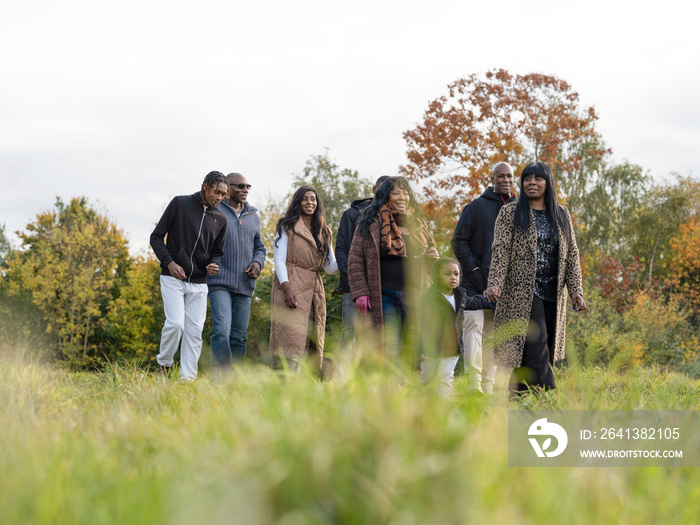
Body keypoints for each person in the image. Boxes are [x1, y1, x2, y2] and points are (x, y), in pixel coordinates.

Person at [484, 161, 586, 398]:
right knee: (536, 342)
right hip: (523, 292)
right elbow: (500, 249)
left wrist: (576, 290)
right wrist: (495, 282)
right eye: (527, 178)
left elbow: (572, 253)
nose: (531, 183)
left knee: (533, 349)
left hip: (553, 290)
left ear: (547, 183)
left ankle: (517, 400)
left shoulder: (561, 214)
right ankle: (548, 397)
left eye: (537, 179)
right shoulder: (510, 212)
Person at [348, 176, 439, 361]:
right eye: (396, 192)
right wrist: (360, 292)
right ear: (385, 195)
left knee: (410, 346)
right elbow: (355, 258)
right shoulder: (370, 222)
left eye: (405, 193)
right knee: (390, 344)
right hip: (383, 295)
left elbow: (427, 263)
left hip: (413, 296)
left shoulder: (418, 225)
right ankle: (391, 387)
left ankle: (402, 387)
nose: (402, 197)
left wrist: (432, 260)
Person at [150, 171, 229, 381]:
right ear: (205, 186)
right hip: (172, 278)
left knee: (194, 333)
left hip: (200, 283)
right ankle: (164, 364)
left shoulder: (221, 219)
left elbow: (217, 252)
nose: (219, 197)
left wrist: (215, 263)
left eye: (223, 194)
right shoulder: (180, 204)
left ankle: (187, 380)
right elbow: (156, 237)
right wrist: (170, 263)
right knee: (176, 324)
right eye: (216, 191)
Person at [451, 162, 516, 394]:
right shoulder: (476, 207)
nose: (505, 180)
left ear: (514, 178)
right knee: (473, 328)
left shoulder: (521, 209)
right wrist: (475, 270)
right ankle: (473, 384)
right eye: (500, 176)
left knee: (492, 335)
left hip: (505, 286)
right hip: (473, 283)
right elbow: (458, 241)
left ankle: (488, 386)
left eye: (509, 176)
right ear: (493, 179)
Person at [269, 186, 338, 371]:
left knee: (313, 335)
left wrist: (348, 256)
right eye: (305, 199)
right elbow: (279, 261)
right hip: (290, 283)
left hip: (314, 287)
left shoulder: (324, 231)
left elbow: (330, 268)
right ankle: (285, 379)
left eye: (313, 199)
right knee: (290, 336)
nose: (310, 203)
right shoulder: (286, 226)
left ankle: (307, 382)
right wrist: (287, 288)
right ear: (298, 202)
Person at [207, 172, 266, 376]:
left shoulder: (253, 216)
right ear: (228, 188)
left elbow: (260, 247)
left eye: (248, 186)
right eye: (240, 186)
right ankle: (220, 380)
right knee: (222, 331)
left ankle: (236, 382)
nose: (245, 190)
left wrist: (258, 263)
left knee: (239, 337)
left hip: (245, 284)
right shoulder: (214, 211)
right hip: (219, 282)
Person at [419, 258, 494, 398]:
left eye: (456, 274)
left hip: (451, 347)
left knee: (445, 378)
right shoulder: (429, 298)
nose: (453, 277)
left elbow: (475, 302)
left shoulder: (460, 296)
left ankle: (443, 406)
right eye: (447, 274)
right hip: (432, 348)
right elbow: (422, 325)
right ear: (436, 276)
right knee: (428, 381)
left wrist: (491, 301)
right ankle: (426, 407)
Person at [335, 175, 390, 351]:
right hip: (352, 286)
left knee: (375, 335)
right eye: (381, 190)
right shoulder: (351, 215)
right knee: (350, 332)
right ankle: (340, 376)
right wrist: (354, 278)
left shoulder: (394, 219)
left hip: (382, 286)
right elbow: (341, 250)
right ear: (374, 190)